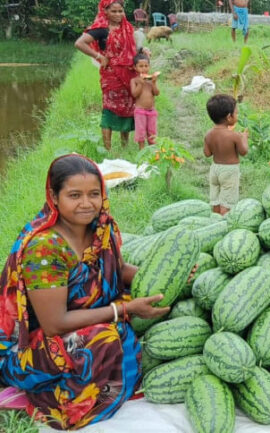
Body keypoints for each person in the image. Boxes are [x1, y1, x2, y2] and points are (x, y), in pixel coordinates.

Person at [0, 154, 170, 430]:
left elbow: (118, 269)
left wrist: (166, 275)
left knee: (126, 324)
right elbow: (55, 324)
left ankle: (111, 378)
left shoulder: (101, 229)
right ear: (54, 197)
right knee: (104, 337)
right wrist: (124, 310)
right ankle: (52, 399)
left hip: (83, 319)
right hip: (35, 345)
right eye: (74, 195)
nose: (86, 204)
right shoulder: (44, 248)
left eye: (94, 194)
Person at [74, 1, 145, 150]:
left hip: (129, 74)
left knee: (127, 108)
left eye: (120, 11)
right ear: (105, 11)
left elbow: (132, 49)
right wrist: (99, 57)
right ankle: (107, 149)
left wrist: (143, 52)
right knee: (109, 110)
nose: (118, 15)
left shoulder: (126, 27)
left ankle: (124, 146)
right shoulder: (101, 29)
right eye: (114, 11)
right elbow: (80, 43)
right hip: (111, 77)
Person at [203, 94, 248, 215]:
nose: (237, 115)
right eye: (236, 113)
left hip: (214, 170)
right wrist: (244, 138)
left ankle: (215, 219)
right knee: (227, 202)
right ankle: (224, 223)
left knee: (216, 200)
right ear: (229, 117)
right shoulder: (234, 136)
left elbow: (207, 153)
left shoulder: (208, 134)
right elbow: (244, 152)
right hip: (230, 171)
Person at [130, 53, 160, 149]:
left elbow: (156, 93)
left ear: (149, 66)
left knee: (152, 133)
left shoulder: (151, 80)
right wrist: (140, 84)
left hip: (151, 111)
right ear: (135, 67)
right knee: (141, 133)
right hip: (140, 112)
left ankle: (153, 152)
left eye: (146, 66)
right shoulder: (134, 80)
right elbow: (134, 94)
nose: (144, 68)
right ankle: (142, 152)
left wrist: (154, 83)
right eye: (141, 66)